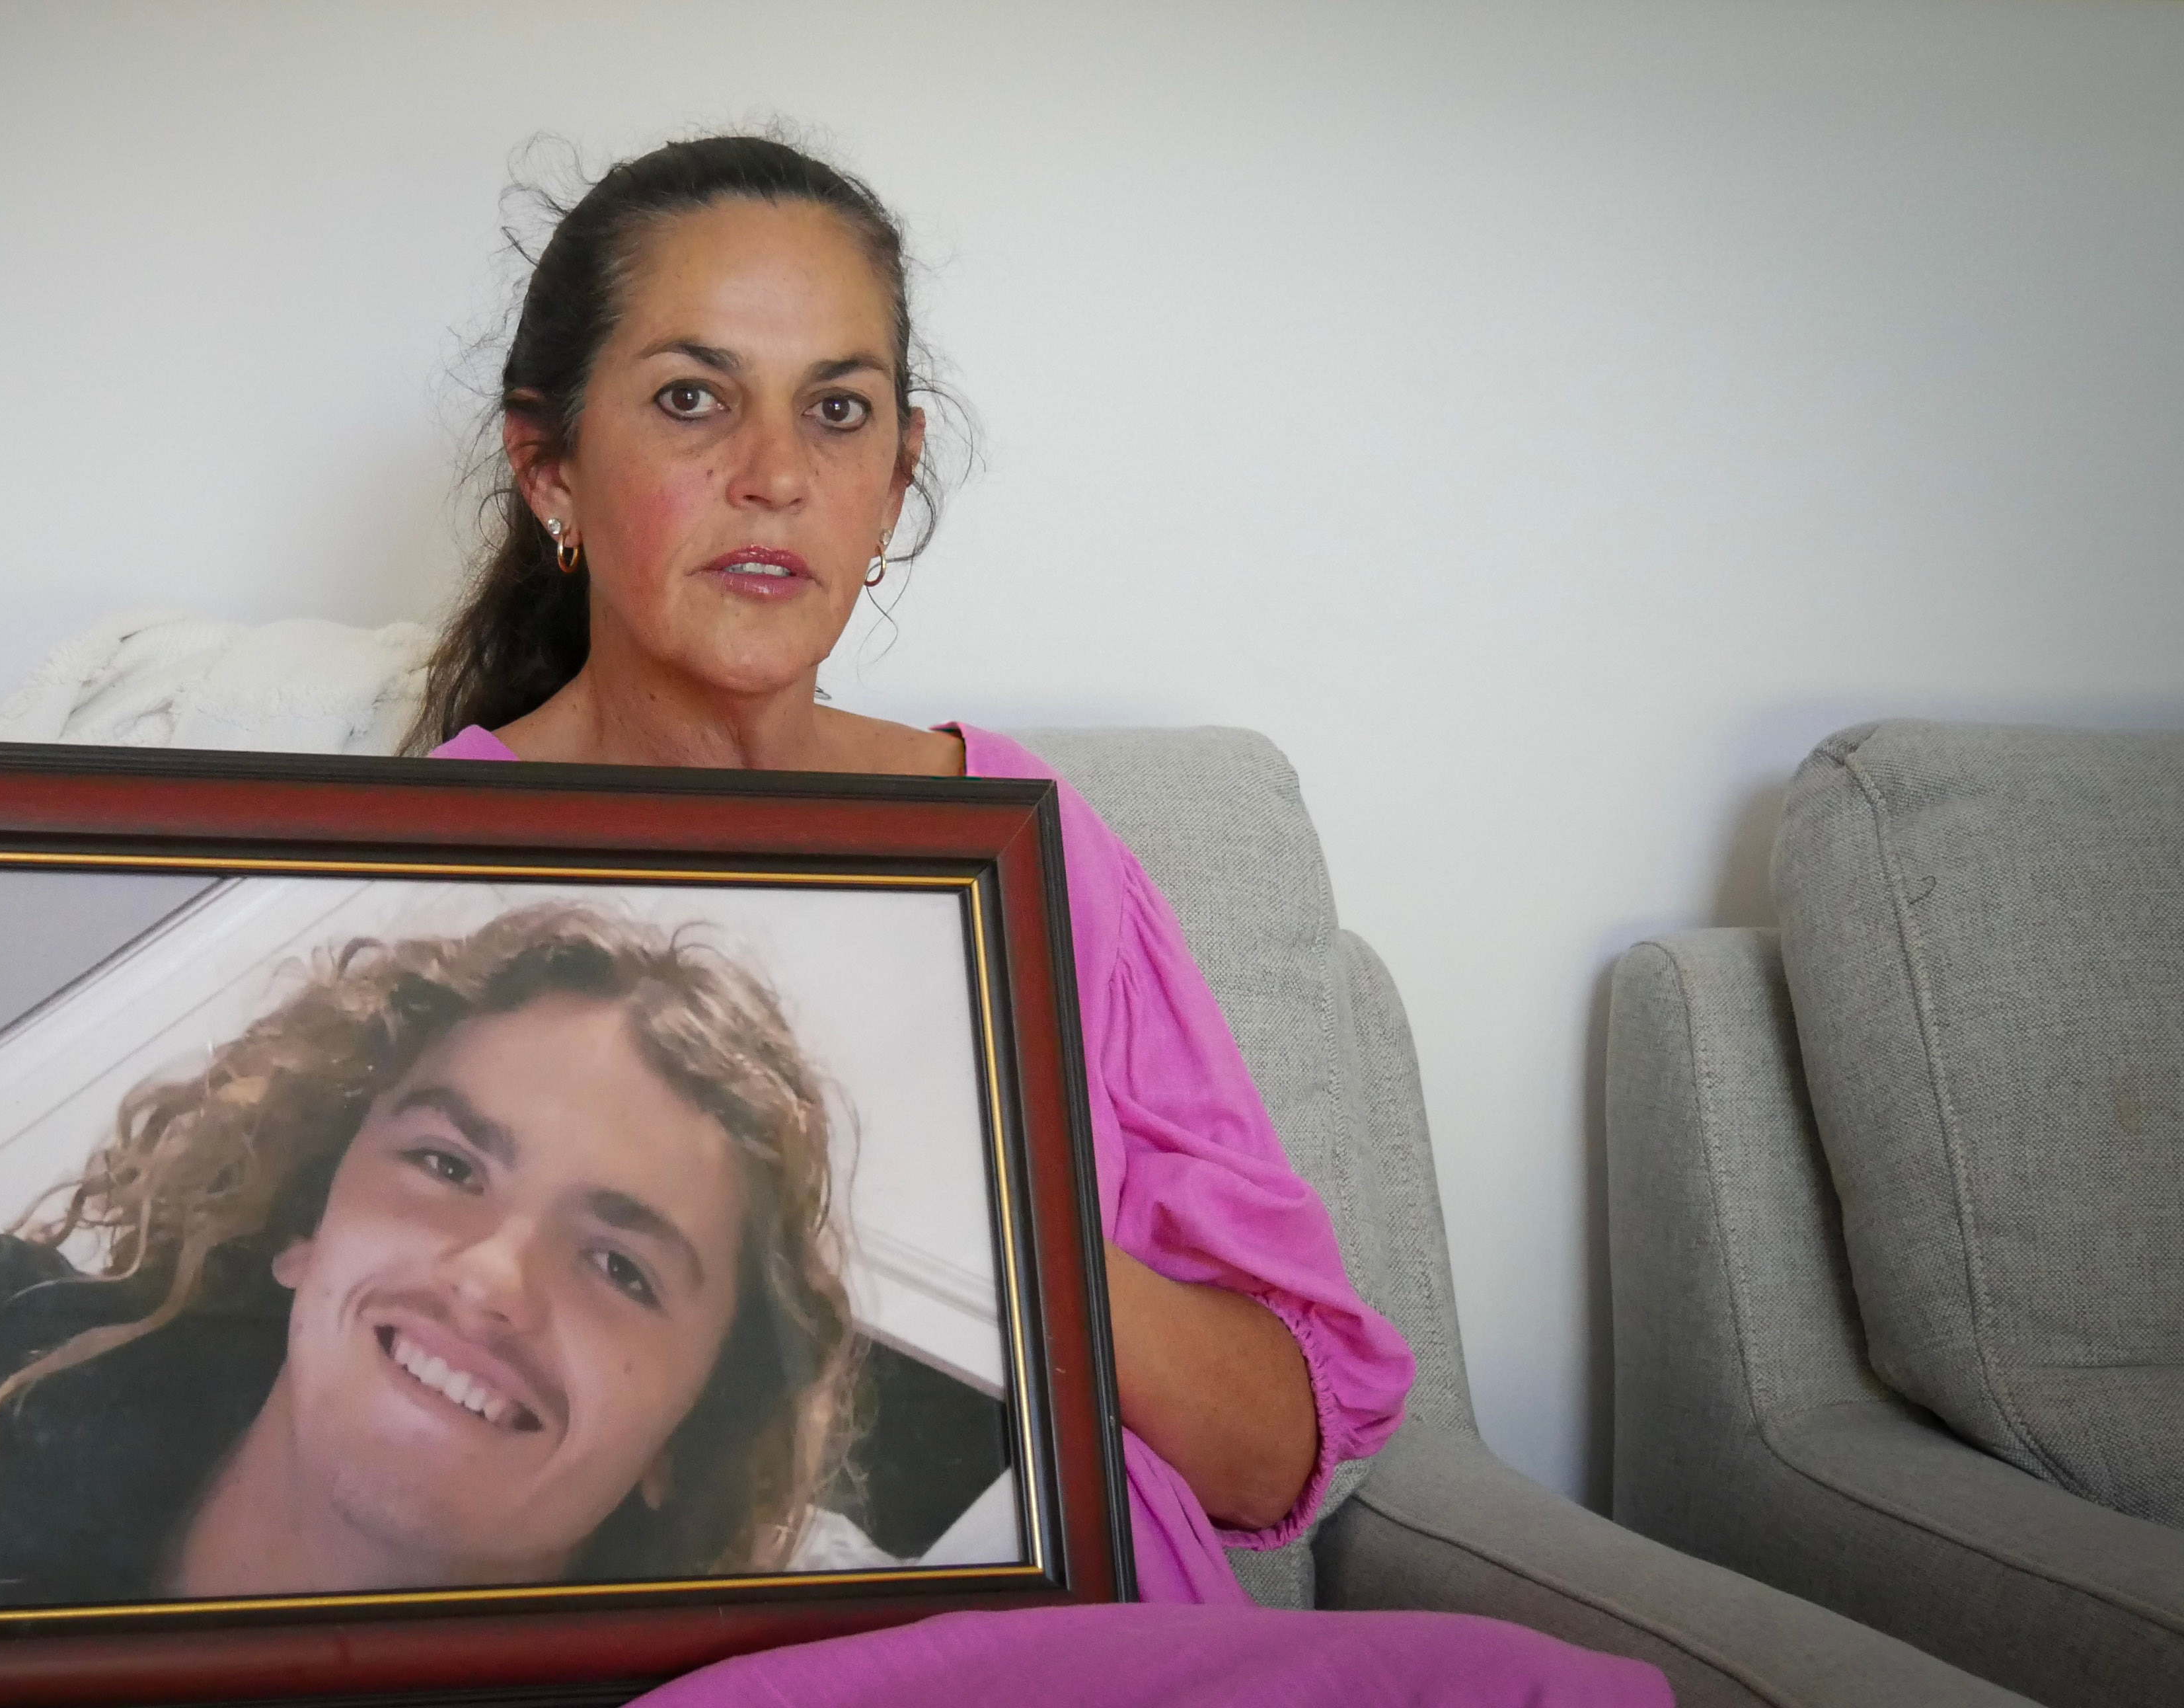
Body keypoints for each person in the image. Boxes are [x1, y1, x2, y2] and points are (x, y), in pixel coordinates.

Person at [408, 134, 1675, 1705]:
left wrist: (982, 1211)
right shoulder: (411, 872)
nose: (775, 472)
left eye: (838, 408)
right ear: (550, 469)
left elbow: (1276, 1441)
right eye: (691, 396)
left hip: (1100, 1646)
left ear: (896, 473)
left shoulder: (1031, 849)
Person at [0, 902, 864, 1608]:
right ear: (308, 1222)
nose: (492, 1278)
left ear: (687, 1434)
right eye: (447, 1164)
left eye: (621, 1267)